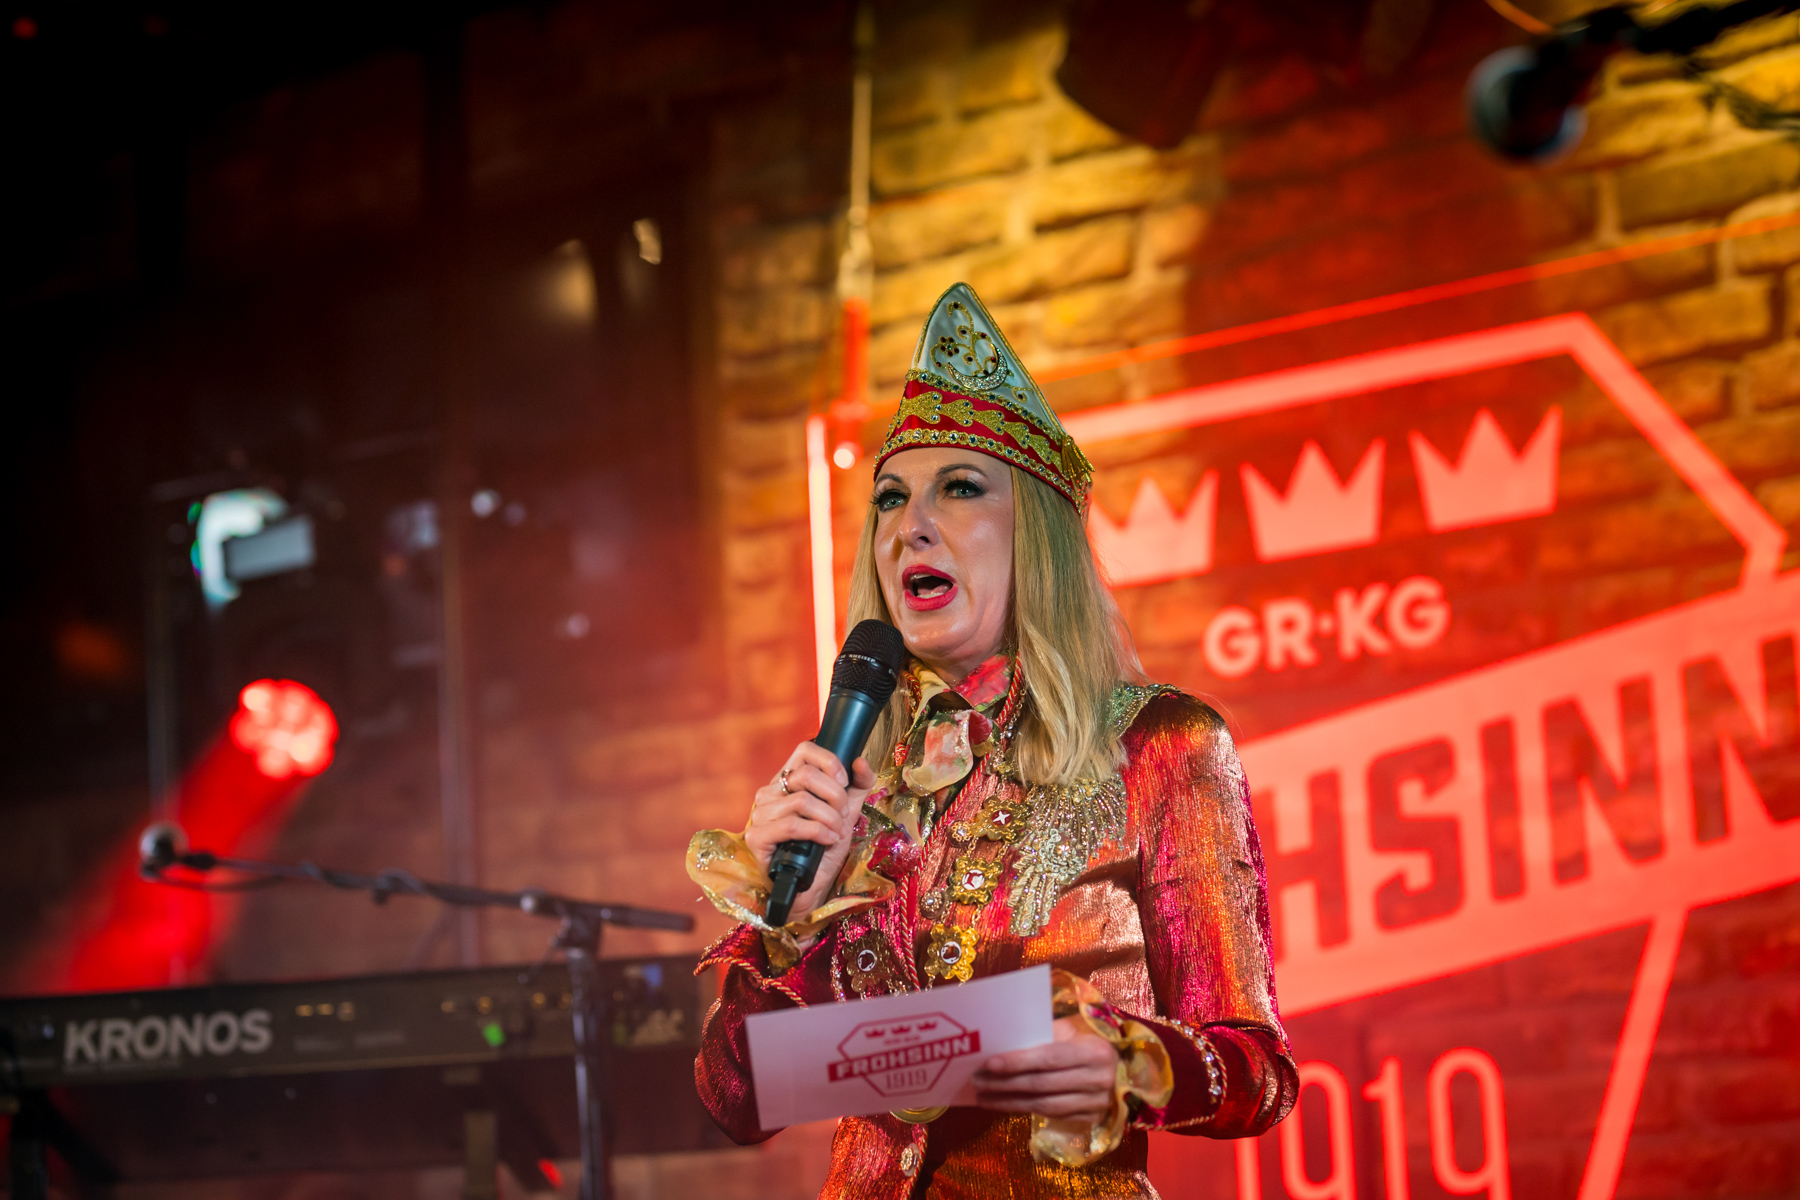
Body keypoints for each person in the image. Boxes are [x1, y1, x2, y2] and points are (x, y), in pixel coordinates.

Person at [687, 283, 1296, 1198]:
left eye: (960, 488)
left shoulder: (1161, 746)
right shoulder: (857, 786)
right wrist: (783, 920)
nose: (910, 526)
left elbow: (1260, 1074)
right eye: (890, 500)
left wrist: (1131, 1062)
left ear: (1035, 534)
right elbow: (735, 1100)